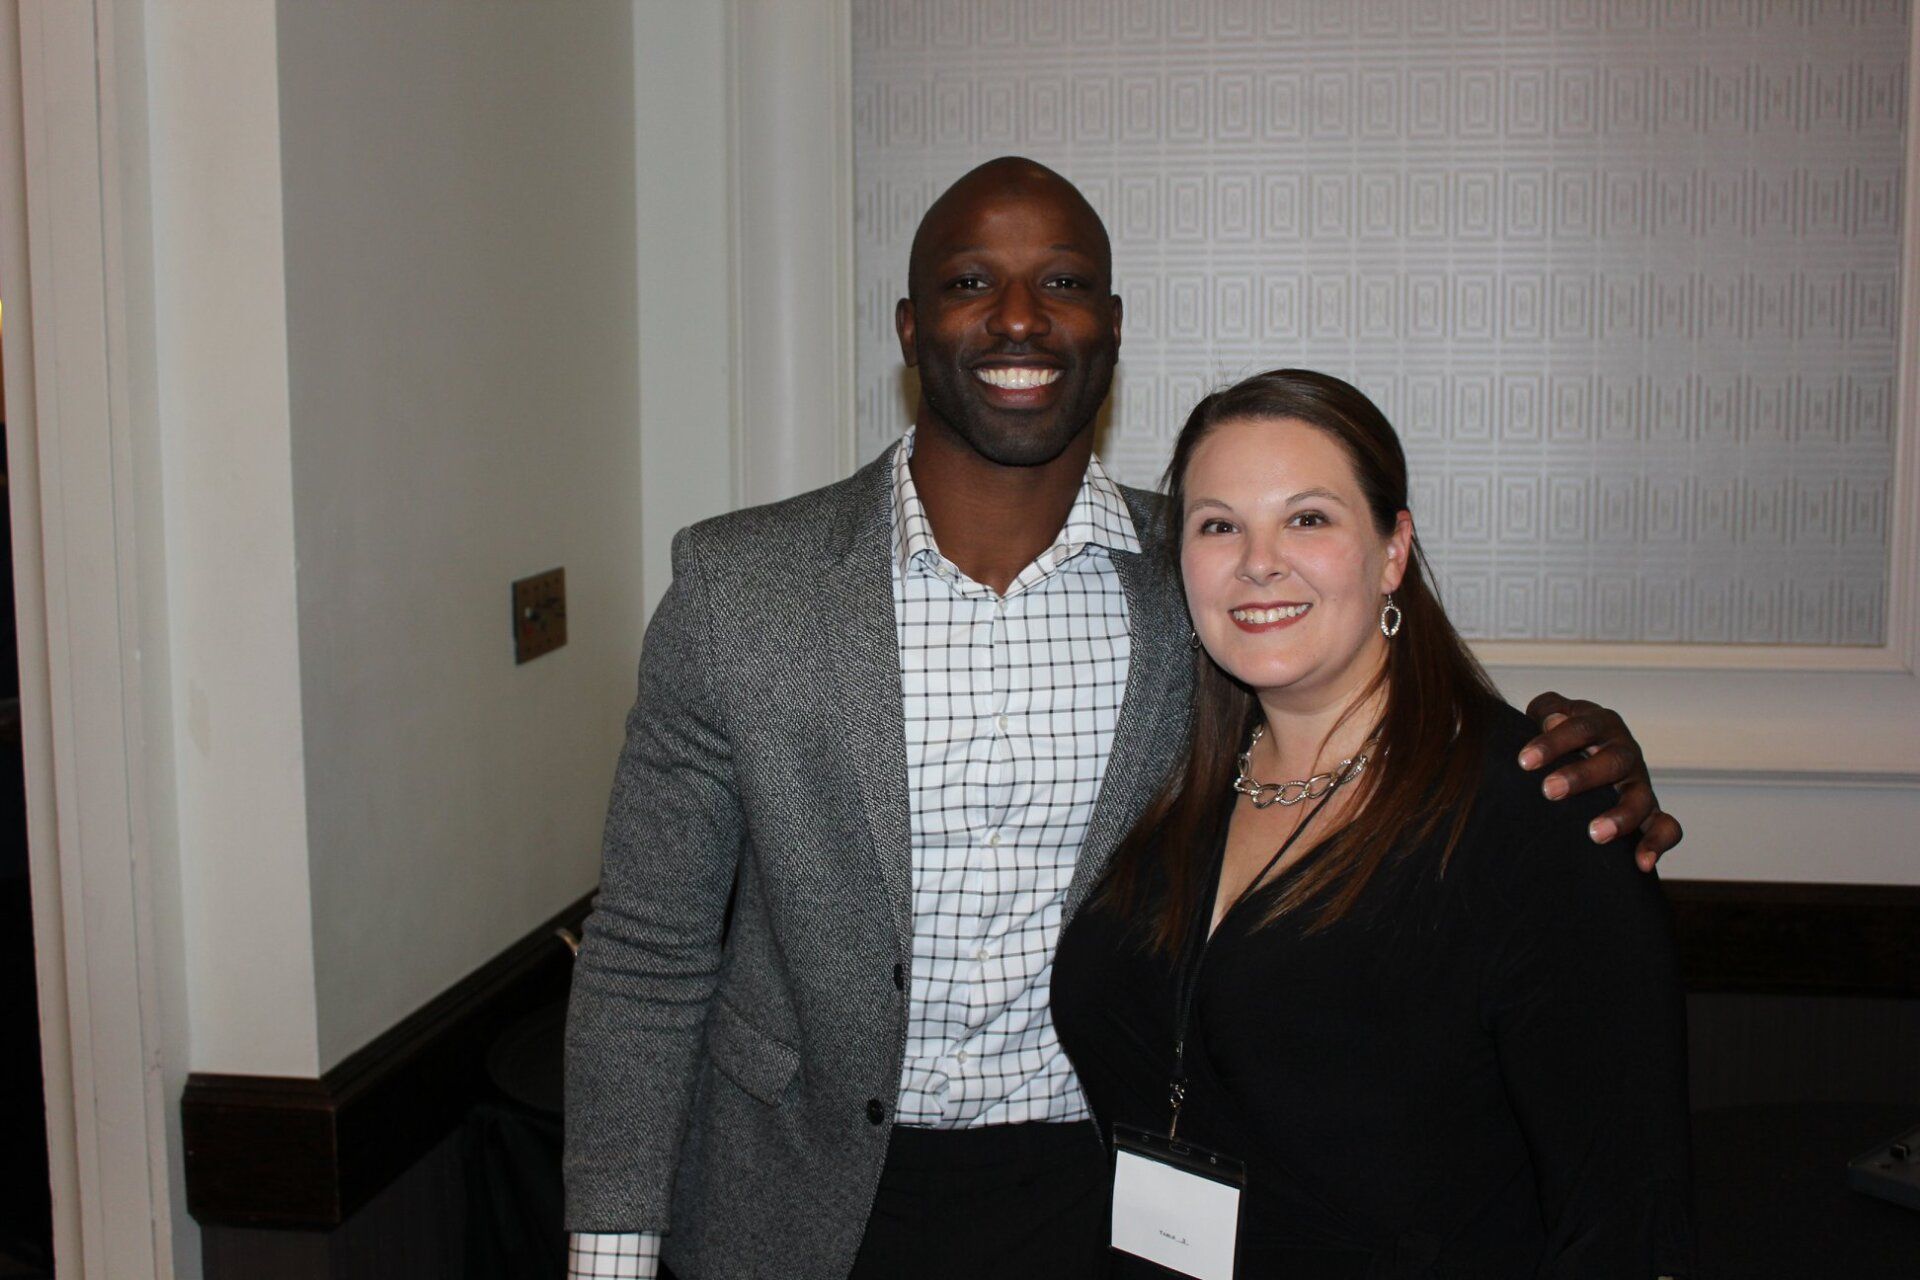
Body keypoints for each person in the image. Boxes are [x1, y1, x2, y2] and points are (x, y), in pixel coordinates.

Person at [564, 158, 1681, 1280]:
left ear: (1110, 326)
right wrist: (609, 1251)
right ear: (910, 328)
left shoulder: (1197, 584)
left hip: (1107, 1204)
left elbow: (1375, 702)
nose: (1015, 315)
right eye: (968, 281)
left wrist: (1573, 756)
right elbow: (650, 949)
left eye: (1060, 280)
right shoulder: (741, 586)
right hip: (791, 1204)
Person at [1051, 369, 1695, 1277]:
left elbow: (1622, 1217)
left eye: (1308, 518)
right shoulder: (1172, 782)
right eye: (1219, 525)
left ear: (1393, 550)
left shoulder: (1540, 817)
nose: (1258, 561)